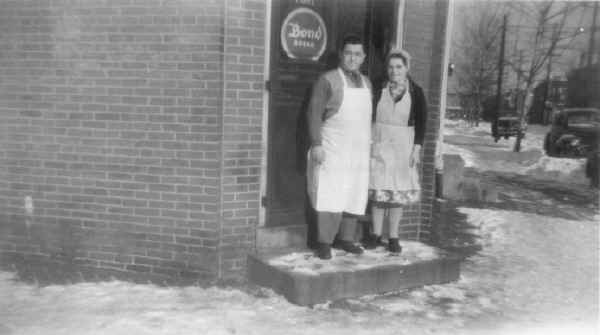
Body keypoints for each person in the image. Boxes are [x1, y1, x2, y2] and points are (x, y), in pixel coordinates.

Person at [306, 35, 373, 260]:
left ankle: (346, 239)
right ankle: (324, 242)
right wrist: (316, 144)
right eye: (348, 53)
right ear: (341, 55)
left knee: (354, 192)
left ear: (363, 58)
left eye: (357, 54)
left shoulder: (367, 83)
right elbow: (314, 114)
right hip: (333, 147)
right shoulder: (328, 80)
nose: (352, 58)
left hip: (358, 150)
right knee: (330, 192)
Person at [363, 48, 427, 253]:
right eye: (390, 67)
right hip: (379, 142)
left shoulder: (416, 92)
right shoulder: (377, 88)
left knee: (396, 194)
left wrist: (417, 149)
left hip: (403, 147)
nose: (394, 71)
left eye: (399, 66)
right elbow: (367, 115)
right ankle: (375, 234)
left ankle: (393, 237)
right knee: (379, 192)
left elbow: (422, 123)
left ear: (407, 68)